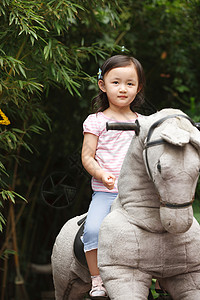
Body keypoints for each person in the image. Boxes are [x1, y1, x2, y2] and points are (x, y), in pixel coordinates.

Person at [81, 54, 145, 298]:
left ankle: (162, 277)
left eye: (130, 83)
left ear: (138, 88)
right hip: (106, 193)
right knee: (93, 230)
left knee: (164, 229)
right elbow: (87, 157)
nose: (123, 89)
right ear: (102, 85)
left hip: (138, 196)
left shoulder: (145, 123)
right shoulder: (96, 121)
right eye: (116, 82)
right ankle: (97, 279)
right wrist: (102, 173)